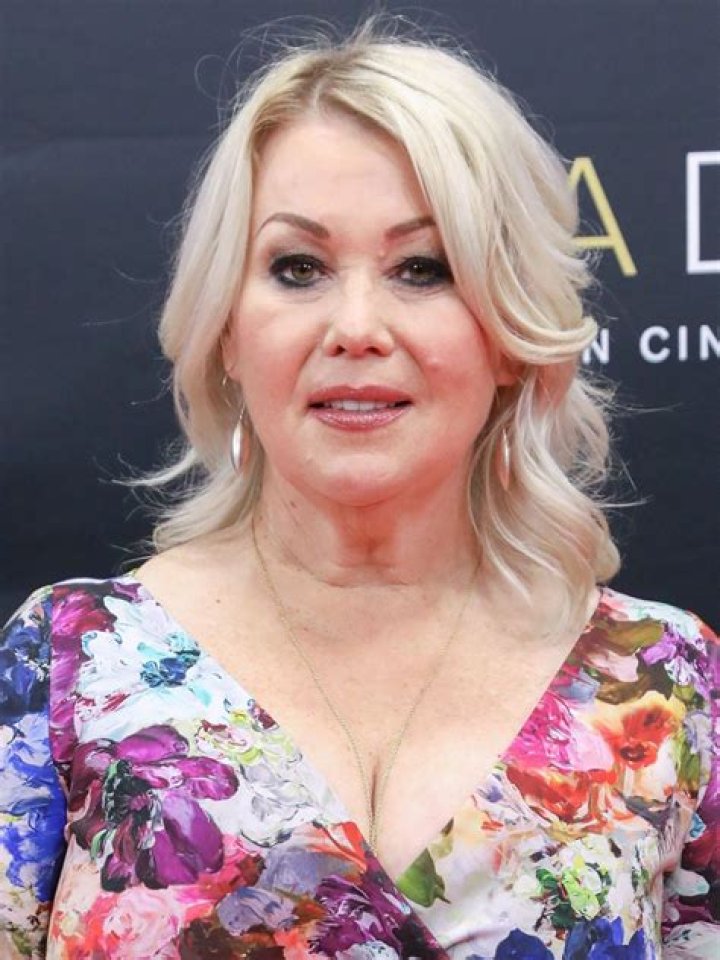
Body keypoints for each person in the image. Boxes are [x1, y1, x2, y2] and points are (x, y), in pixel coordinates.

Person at [0, 18, 717, 960]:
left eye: (423, 269)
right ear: (227, 327)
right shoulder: (68, 664)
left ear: (511, 332)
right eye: (297, 268)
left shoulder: (667, 684)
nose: (356, 326)